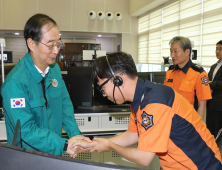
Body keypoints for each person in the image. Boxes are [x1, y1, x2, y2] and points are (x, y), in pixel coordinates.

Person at [72, 52, 222, 169]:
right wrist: (96, 143)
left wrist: (110, 146)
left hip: (201, 165)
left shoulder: (154, 102)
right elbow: (132, 135)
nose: (103, 94)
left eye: (102, 88)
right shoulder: (139, 97)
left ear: (118, 79)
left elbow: (144, 158)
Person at [1, 13, 88, 156]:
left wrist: (76, 136)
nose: (56, 50)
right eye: (50, 44)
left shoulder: (55, 71)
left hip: (54, 153)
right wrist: (65, 145)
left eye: (58, 44)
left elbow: (65, 106)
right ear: (31, 44)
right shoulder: (15, 84)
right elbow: (26, 130)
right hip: (27, 158)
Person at [164, 36, 212, 120]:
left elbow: (202, 106)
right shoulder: (170, 72)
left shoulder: (199, 74)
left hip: (188, 123)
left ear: (187, 52)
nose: (172, 55)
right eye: (171, 51)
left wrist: (196, 128)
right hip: (169, 120)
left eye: (175, 51)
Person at [206, 40, 222, 138]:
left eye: (220, 49)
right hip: (210, 104)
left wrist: (211, 84)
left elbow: (211, 83)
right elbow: (207, 81)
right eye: (216, 49)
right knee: (209, 131)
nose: (217, 51)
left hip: (220, 106)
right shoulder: (213, 66)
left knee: (218, 132)